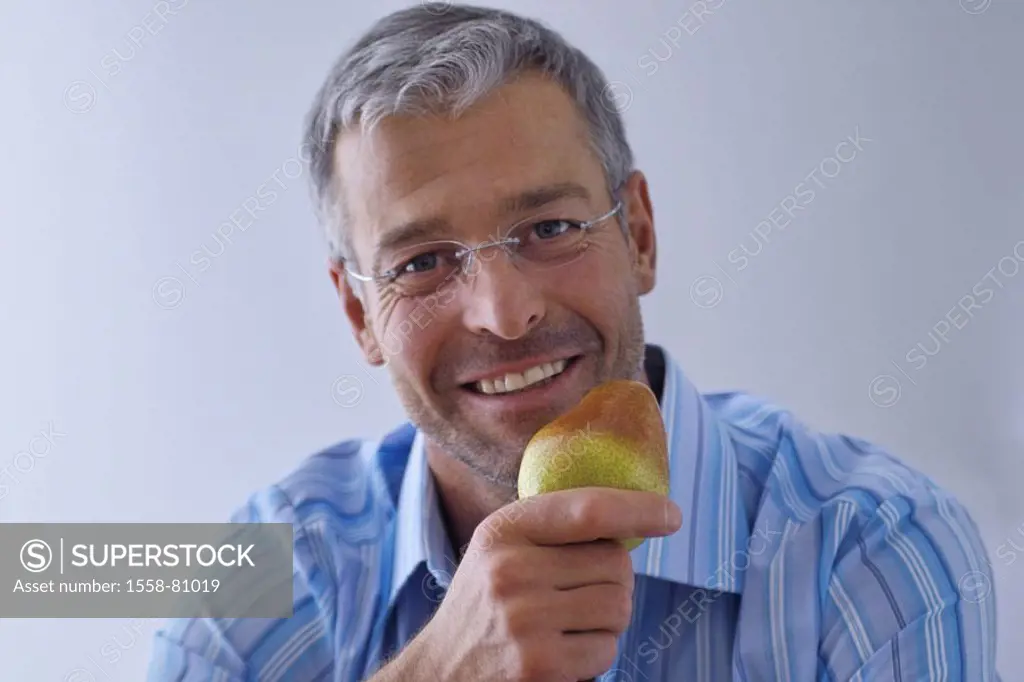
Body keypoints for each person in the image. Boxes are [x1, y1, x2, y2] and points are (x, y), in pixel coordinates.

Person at [147, 3, 1000, 680]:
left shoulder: (874, 551)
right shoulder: (255, 584)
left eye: (550, 225)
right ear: (359, 315)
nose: (504, 313)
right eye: (423, 260)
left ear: (638, 235)